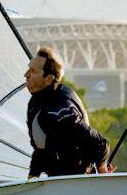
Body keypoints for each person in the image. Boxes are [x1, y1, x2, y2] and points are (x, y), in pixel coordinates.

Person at [24, 46, 114, 177]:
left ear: (48, 79)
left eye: (32, 71)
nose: (26, 75)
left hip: (75, 182)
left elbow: (99, 143)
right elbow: (41, 149)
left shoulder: (61, 109)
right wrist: (32, 177)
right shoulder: (35, 103)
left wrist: (102, 172)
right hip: (57, 180)